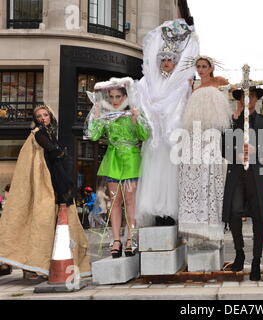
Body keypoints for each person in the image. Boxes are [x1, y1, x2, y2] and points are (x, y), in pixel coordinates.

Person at [0, 105, 90, 280]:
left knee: (49, 227)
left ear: (51, 117)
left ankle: (39, 266)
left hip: (55, 185)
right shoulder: (39, 133)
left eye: (45, 115)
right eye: (39, 116)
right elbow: (52, 151)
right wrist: (62, 155)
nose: (43, 118)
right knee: (42, 226)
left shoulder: (48, 134)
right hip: (47, 187)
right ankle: (31, 267)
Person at [135, 18, 199, 227]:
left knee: (170, 176)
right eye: (163, 60)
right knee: (154, 176)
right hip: (155, 140)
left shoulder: (181, 85)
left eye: (170, 60)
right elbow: (142, 102)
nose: (166, 63)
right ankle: (155, 213)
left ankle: (169, 213)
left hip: (172, 139)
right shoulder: (148, 83)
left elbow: (183, 108)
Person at [85, 77, 151, 258]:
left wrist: (137, 119)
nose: (115, 101)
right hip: (113, 161)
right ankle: (116, 240)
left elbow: (145, 136)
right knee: (114, 203)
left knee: (130, 202)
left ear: (126, 96)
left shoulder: (134, 113)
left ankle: (131, 238)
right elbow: (93, 136)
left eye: (118, 97)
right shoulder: (107, 116)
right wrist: (97, 117)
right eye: (111, 97)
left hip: (131, 160)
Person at [177, 55, 231, 257]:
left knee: (211, 177)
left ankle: (213, 226)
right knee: (197, 179)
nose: (200, 70)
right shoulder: (193, 89)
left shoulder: (220, 83)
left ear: (211, 68)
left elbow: (225, 114)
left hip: (212, 137)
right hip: (194, 138)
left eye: (204, 66)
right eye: (198, 66)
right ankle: (197, 227)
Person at [222, 86, 263, 281]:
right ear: (239, 100)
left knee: (259, 215)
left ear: (256, 99)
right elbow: (223, 148)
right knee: (234, 212)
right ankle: (239, 253)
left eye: (251, 96)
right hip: (236, 173)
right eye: (244, 96)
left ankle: (256, 261)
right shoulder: (232, 121)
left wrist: (256, 150)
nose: (247, 99)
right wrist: (235, 153)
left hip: (256, 174)